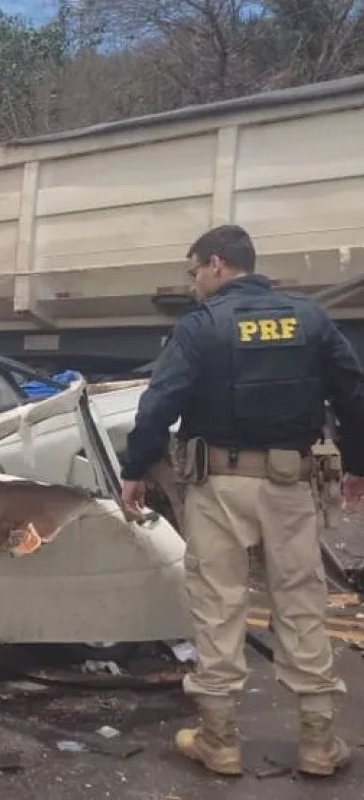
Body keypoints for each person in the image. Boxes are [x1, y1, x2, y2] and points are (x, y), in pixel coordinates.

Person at [120, 224, 364, 777]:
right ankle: (319, 742)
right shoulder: (311, 320)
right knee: (301, 602)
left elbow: (160, 403)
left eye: (194, 271)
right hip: (290, 483)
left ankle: (220, 740)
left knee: (218, 602)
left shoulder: (201, 328)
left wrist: (135, 469)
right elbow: (353, 393)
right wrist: (357, 465)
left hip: (221, 485)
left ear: (216, 264)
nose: (194, 283)